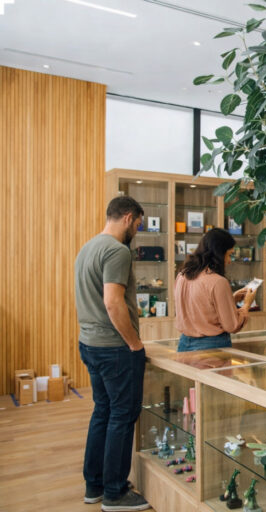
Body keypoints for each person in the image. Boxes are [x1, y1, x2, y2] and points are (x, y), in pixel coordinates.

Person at [74, 196, 151, 511]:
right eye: (139, 224)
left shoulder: (88, 247)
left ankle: (95, 485)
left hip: (89, 344)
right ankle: (116, 493)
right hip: (115, 349)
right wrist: (134, 343)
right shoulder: (117, 251)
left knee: (102, 412)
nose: (138, 230)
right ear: (128, 217)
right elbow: (112, 302)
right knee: (122, 415)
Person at [175, 228, 257, 352]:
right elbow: (231, 325)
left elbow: (201, 308)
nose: (229, 261)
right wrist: (246, 305)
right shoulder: (218, 281)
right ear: (219, 253)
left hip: (184, 344)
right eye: (229, 254)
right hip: (212, 347)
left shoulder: (182, 275)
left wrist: (231, 299)